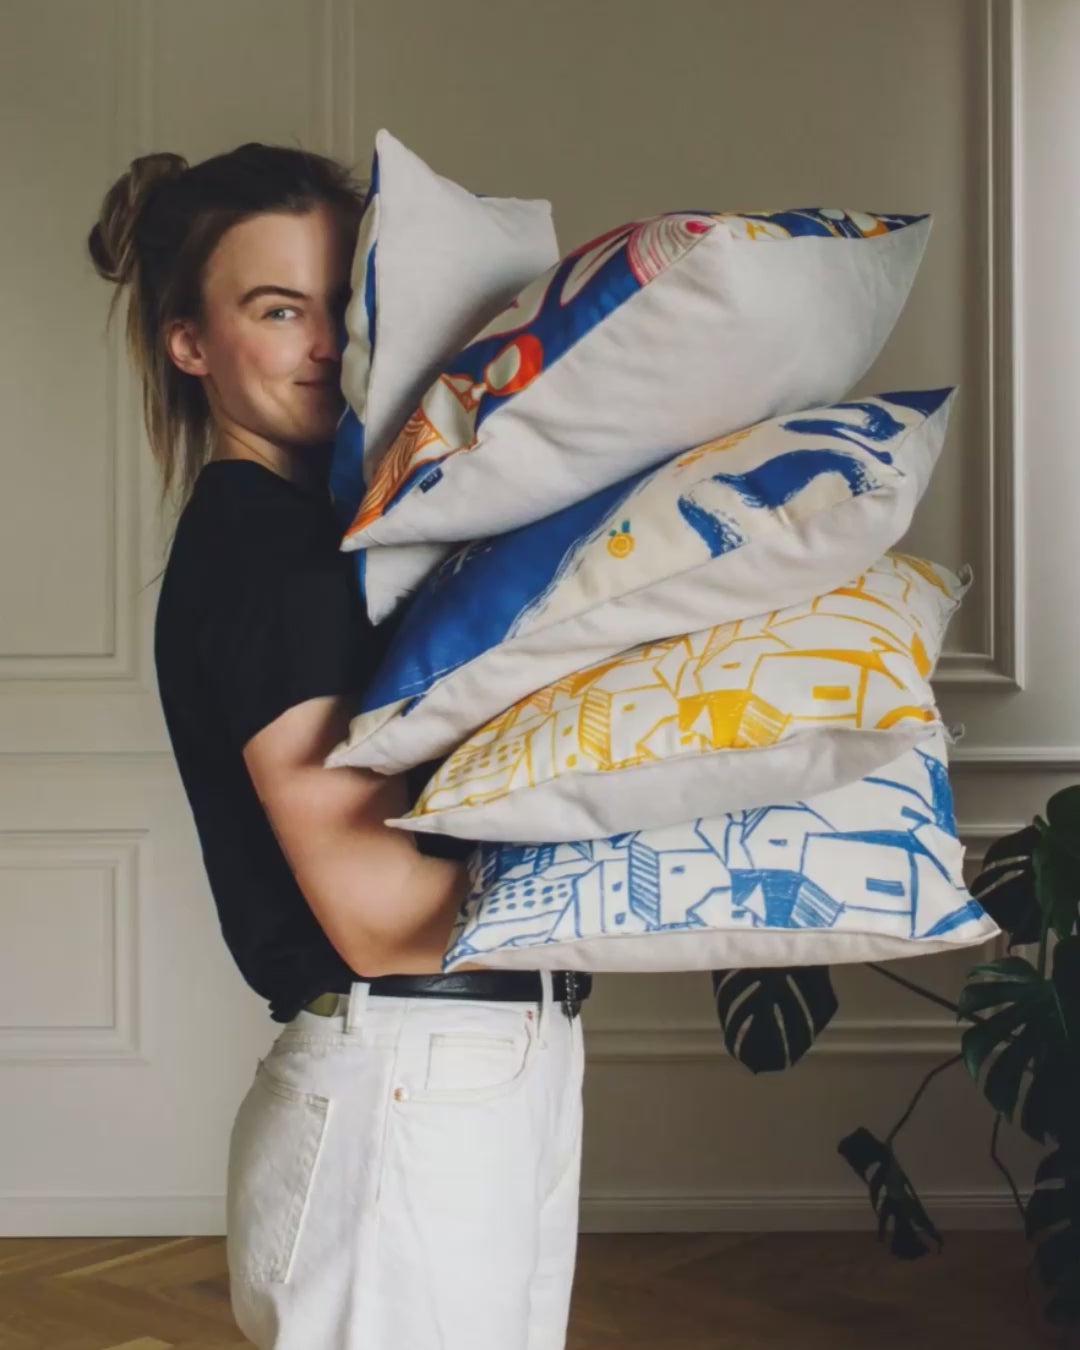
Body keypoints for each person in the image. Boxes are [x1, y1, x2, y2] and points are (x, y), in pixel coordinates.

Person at [87, 141, 591, 1350]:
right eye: (276, 310)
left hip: (476, 1063)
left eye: (340, 306)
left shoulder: (349, 543)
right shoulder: (264, 558)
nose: (324, 344)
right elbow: (376, 914)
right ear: (191, 344)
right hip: (408, 1083)